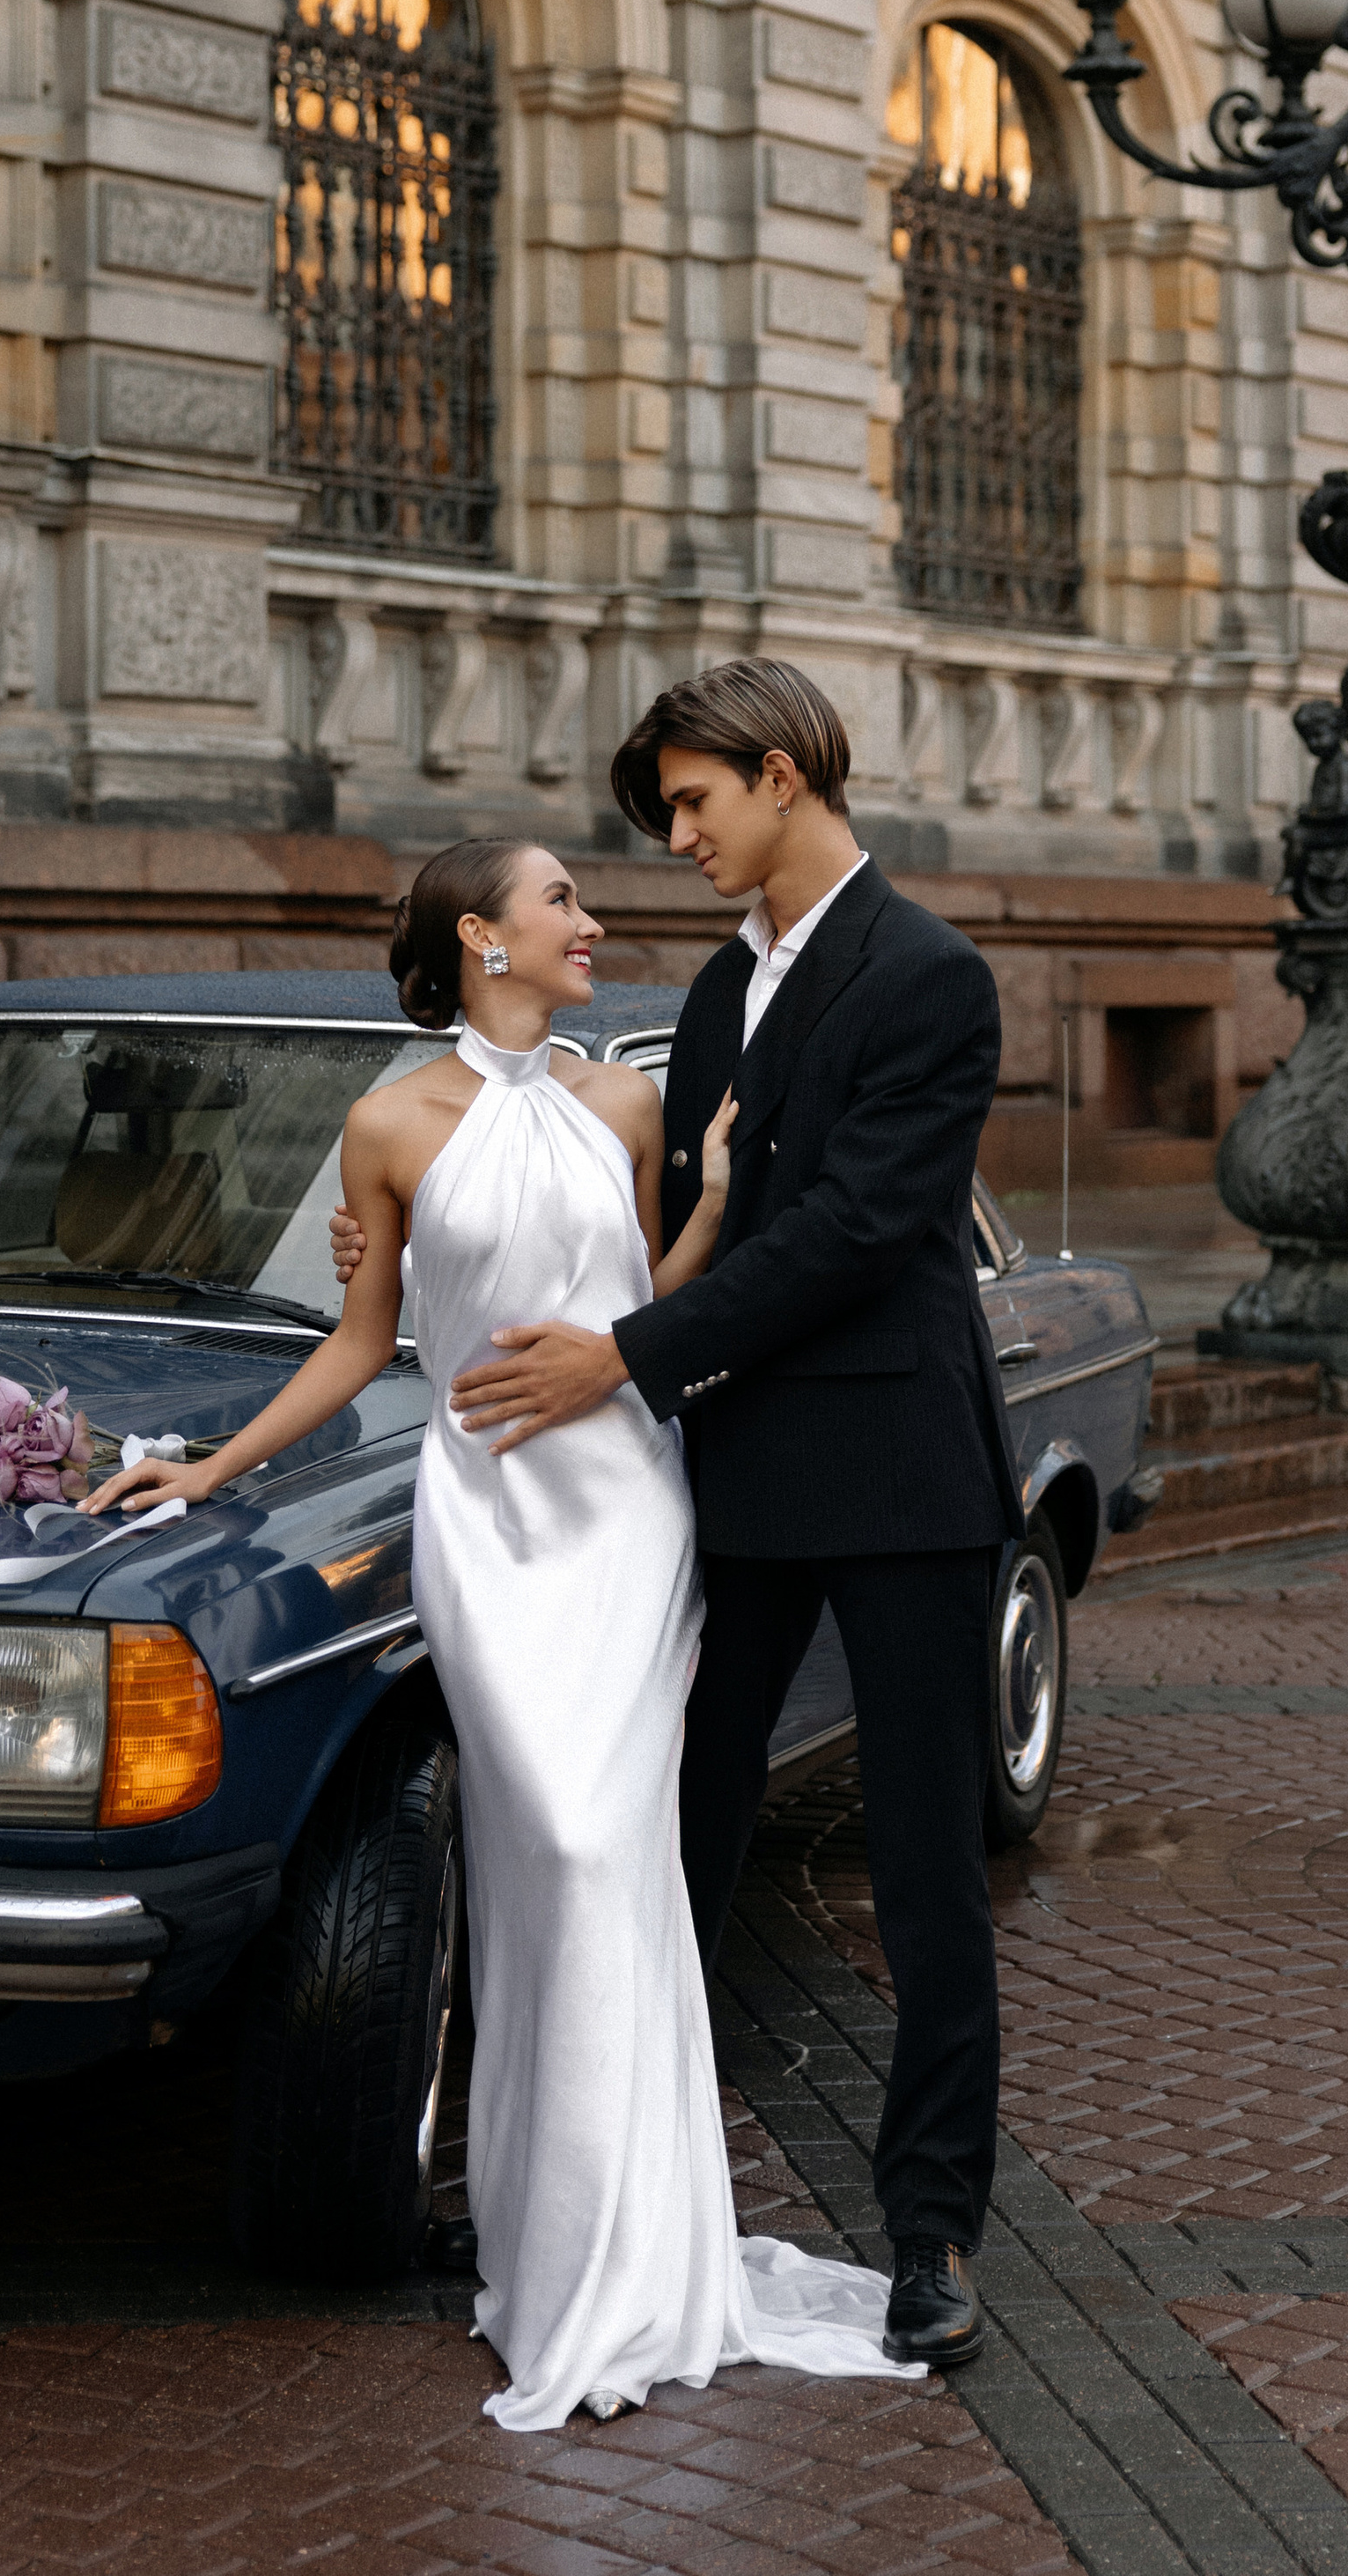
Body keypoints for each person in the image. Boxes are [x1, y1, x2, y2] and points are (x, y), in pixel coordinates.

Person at [83, 833, 901, 2430]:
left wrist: (720, 1205)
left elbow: (644, 1306)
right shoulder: (386, 1120)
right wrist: (216, 1465)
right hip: (483, 1517)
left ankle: (634, 2264)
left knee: (609, 1851)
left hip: (626, 1511)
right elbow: (365, 1343)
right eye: (563, 905)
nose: (592, 925)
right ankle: (546, 2254)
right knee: (535, 1857)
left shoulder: (631, 1102)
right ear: (483, 937)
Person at [436, 658, 1024, 2373]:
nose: (675, 837)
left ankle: (929, 2238)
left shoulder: (929, 976)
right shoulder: (709, 993)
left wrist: (616, 1359)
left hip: (904, 1482)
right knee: (662, 1830)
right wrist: (415, 1257)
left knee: (921, 1877)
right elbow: (659, 1221)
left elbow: (848, 1233)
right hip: (736, 1476)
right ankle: (619, 2198)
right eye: (664, 812)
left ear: (780, 776)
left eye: (692, 803)